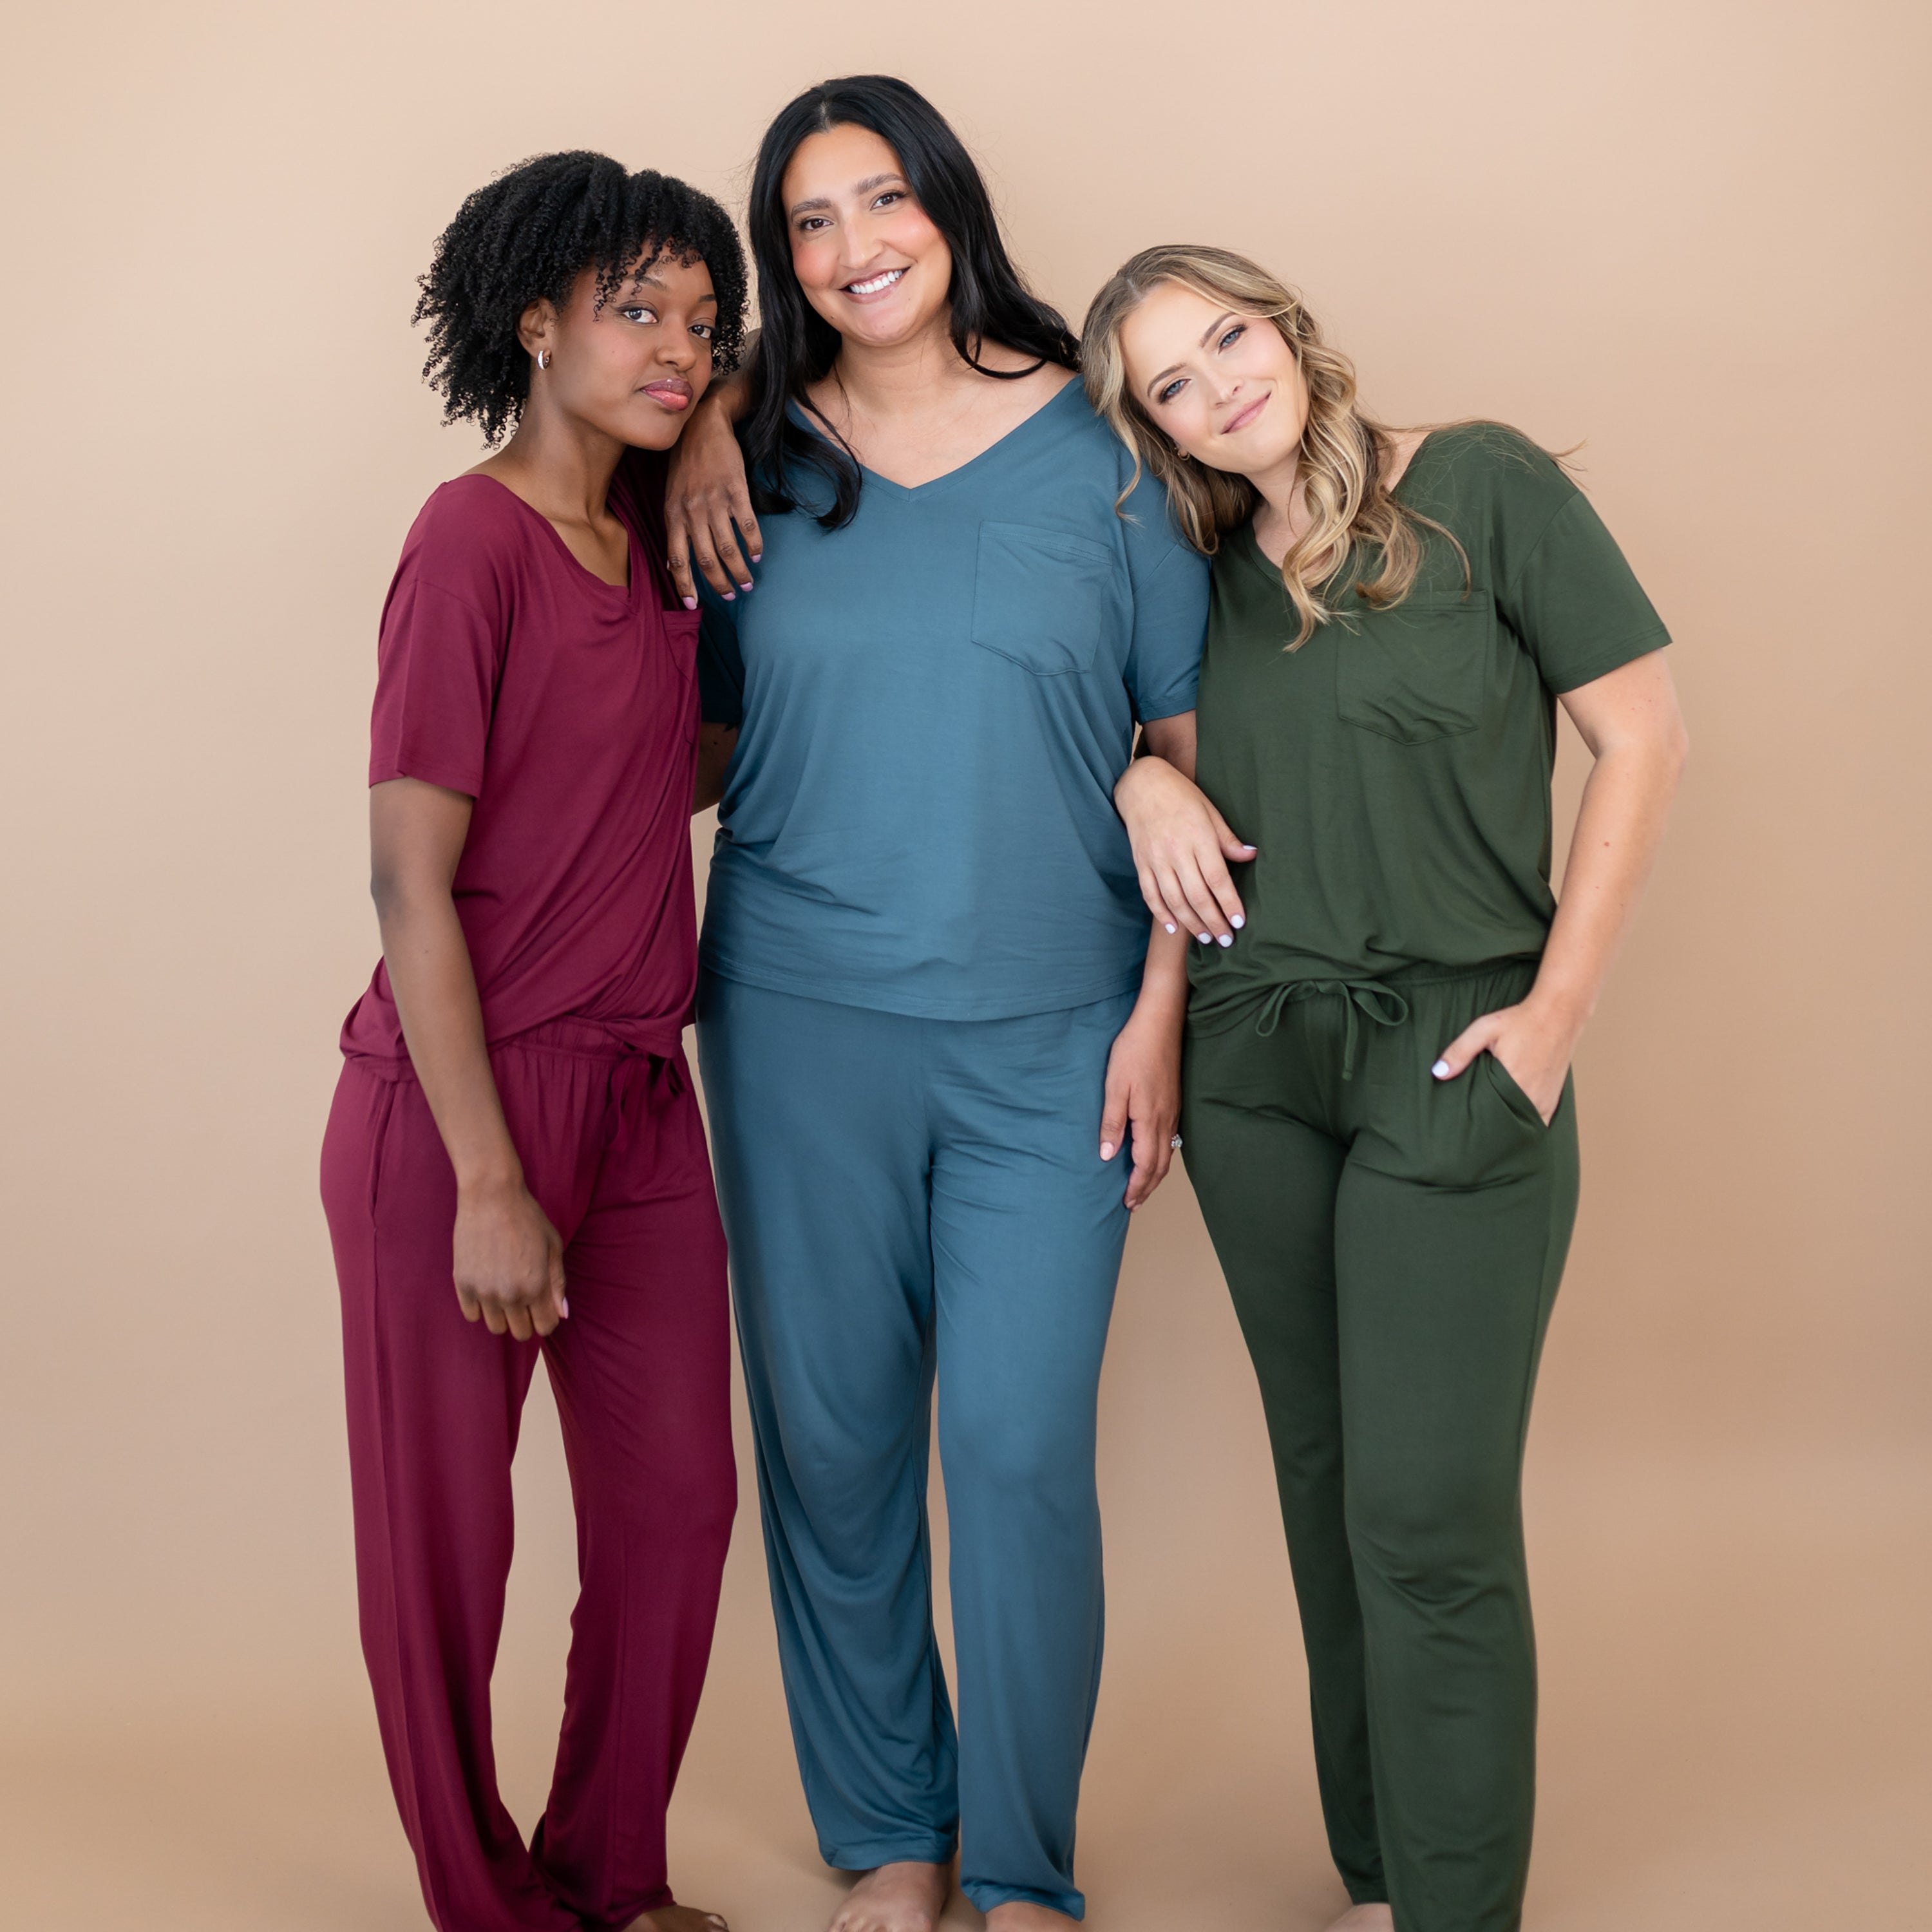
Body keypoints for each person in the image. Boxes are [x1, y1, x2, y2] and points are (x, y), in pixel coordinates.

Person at [1083, 245, 1688, 1932]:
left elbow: (1644, 740)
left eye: (1226, 337)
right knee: (1328, 1484)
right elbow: (1121, 735)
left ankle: (1456, 1913)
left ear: (1283, 320)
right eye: (1172, 386)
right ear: (1156, 433)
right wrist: (1143, 775)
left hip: (1455, 1046)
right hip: (1258, 1062)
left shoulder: (1479, 487)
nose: (1220, 386)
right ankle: (1382, 1880)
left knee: (1428, 1514)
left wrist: (1554, 1018)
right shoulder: (1188, 576)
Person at [662, 76, 1208, 1932]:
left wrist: (1164, 1015)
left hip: (1058, 1028)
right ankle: (895, 1838)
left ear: (948, 204)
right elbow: (697, 740)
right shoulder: (750, 462)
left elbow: (1184, 758)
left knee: (1018, 1447)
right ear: (779, 260)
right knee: (831, 1438)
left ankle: (1027, 1868)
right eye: (809, 223)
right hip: (798, 1014)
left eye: (880, 201)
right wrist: (709, 426)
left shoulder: (1110, 457)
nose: (853, 249)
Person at [318, 151, 748, 1932]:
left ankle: (604, 1868)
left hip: (646, 1100)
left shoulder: (665, 542)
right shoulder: (467, 538)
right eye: (637, 310)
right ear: (536, 318)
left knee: (676, 1513)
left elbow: (699, 769)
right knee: (450, 1549)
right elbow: (407, 886)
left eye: (701, 324)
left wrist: (715, 418)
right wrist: (489, 1177)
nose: (672, 347)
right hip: (455, 1111)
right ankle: (482, 1905)